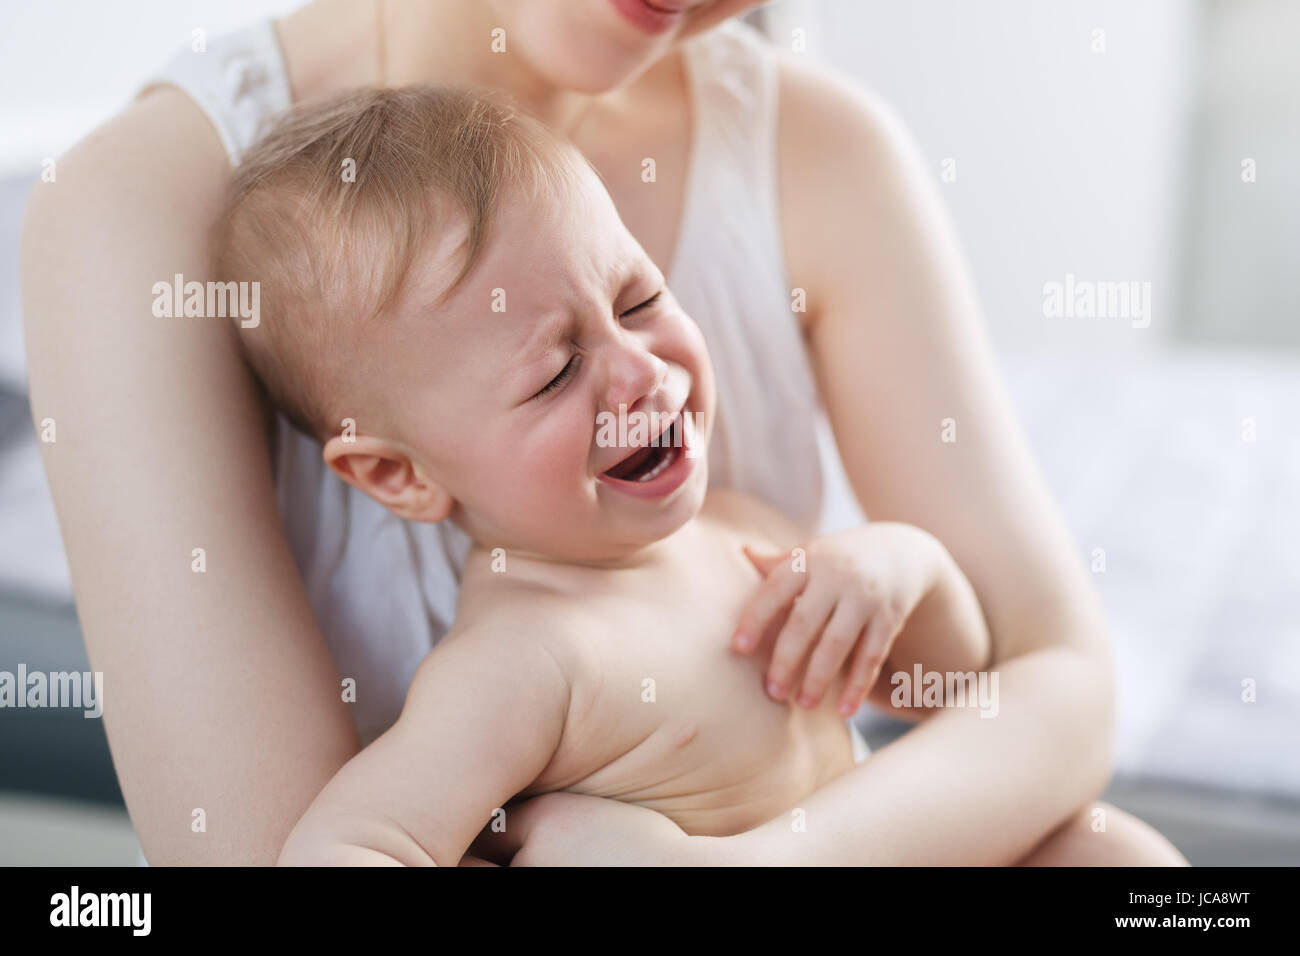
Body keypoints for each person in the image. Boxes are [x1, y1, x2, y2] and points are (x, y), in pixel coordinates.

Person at [21, 0, 1144, 864]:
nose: (640, 369)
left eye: (647, 300)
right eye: (554, 368)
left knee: (1127, 863)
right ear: (392, 472)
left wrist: (897, 565)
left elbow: (1004, 673)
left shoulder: (734, 523)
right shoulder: (516, 665)